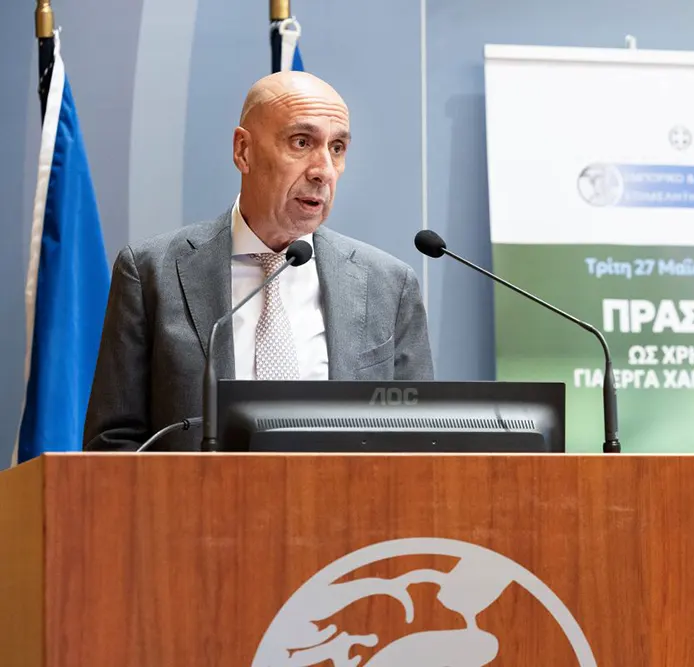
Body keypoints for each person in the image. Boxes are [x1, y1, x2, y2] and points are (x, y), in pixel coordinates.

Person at [83, 71, 434, 451]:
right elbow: (113, 445)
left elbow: (420, 445)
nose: (323, 171)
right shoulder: (152, 273)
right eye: (302, 142)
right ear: (243, 151)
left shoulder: (388, 285)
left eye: (337, 148)